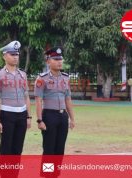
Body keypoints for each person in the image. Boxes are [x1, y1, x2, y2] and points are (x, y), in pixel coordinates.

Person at [34, 47, 75, 177]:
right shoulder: (42, 79)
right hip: (49, 116)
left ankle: (55, 174)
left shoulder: (65, 78)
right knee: (49, 149)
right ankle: (47, 174)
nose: (59, 62)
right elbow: (38, 100)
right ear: (48, 61)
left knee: (59, 149)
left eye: (60, 59)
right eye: (56, 59)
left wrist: (72, 118)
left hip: (62, 116)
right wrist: (40, 120)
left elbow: (68, 99)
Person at [0, 40, 31, 155]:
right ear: (4, 56)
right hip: (7, 114)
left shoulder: (23, 75)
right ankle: (5, 173)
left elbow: (26, 96)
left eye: (17, 54)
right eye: (12, 54)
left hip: (22, 114)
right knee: (6, 147)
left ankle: (14, 173)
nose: (15, 57)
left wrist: (29, 117)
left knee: (18, 148)